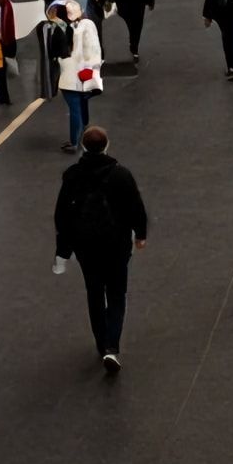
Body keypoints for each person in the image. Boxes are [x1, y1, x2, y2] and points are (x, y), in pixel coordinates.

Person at [53, 125, 148, 374]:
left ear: (84, 147)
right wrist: (140, 234)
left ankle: (100, 341)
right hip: (116, 245)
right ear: (107, 146)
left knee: (94, 292)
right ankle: (111, 347)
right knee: (117, 294)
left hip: (86, 246)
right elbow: (135, 207)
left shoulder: (72, 175)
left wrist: (63, 250)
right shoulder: (121, 175)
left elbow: (62, 215)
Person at [51, 0, 103, 154]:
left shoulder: (65, 29)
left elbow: (57, 50)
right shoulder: (85, 26)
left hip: (71, 74)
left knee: (75, 109)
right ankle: (83, 130)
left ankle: (74, 142)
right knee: (81, 104)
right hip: (84, 73)